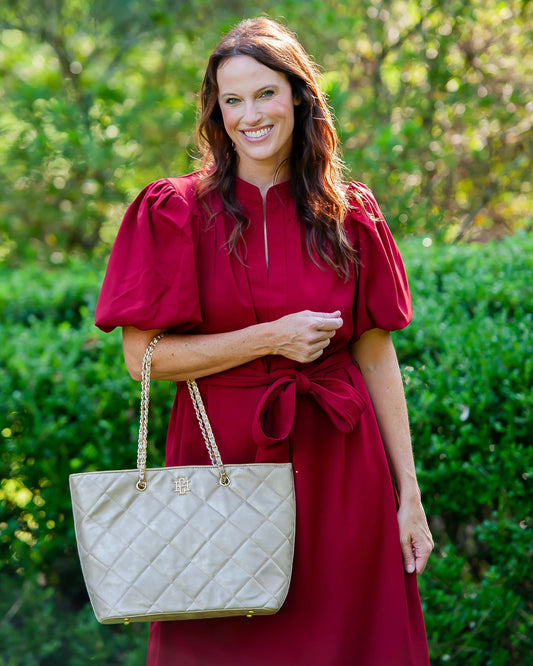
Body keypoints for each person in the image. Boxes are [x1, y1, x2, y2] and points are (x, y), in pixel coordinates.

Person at [95, 16, 433, 666]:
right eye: (233, 100)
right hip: (218, 466)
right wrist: (270, 339)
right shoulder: (175, 212)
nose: (250, 115)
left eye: (265, 93)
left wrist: (408, 495)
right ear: (217, 112)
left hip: (341, 469)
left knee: (350, 642)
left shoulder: (350, 215)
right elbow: (143, 358)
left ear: (298, 98)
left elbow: (374, 354)